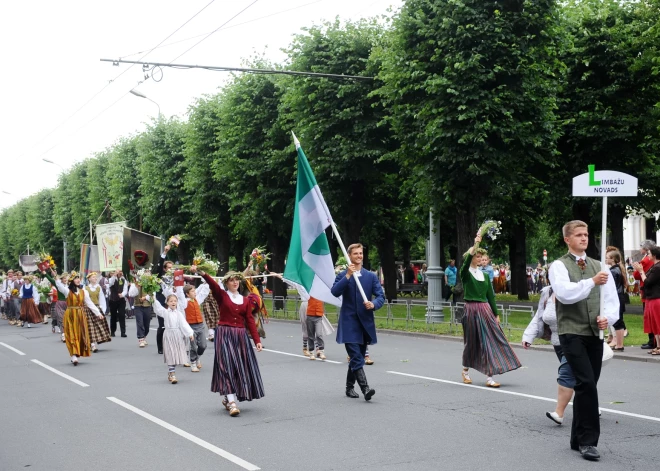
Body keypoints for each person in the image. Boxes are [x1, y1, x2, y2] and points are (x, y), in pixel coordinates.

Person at [548, 220, 619, 461]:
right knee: (586, 383)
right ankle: (588, 441)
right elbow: (566, 294)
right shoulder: (558, 265)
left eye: (586, 234)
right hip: (571, 331)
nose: (584, 238)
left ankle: (576, 438)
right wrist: (591, 281)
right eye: (578, 235)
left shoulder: (599, 266)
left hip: (594, 333)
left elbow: (611, 300)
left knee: (587, 385)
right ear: (567, 239)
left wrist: (606, 319)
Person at [199, 269, 264, 417]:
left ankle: (228, 398)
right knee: (226, 366)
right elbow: (213, 285)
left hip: (240, 336)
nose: (235, 282)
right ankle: (232, 403)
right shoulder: (222, 296)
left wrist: (257, 340)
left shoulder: (245, 300)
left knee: (239, 367)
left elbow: (249, 321)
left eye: (237, 280)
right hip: (224, 334)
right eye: (231, 280)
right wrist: (203, 274)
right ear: (226, 283)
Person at [460, 234, 521, 388]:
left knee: (489, 341)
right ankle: (465, 371)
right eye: (477, 256)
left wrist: (496, 313)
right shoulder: (465, 274)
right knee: (472, 342)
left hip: (485, 310)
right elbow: (466, 262)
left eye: (482, 256)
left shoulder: (485, 276)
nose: (481, 259)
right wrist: (476, 243)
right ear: (471, 257)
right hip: (471, 309)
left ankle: (489, 377)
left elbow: (490, 297)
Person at [331, 243, 385, 401]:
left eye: (361, 253)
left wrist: (374, 304)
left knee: (358, 357)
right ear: (350, 256)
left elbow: (380, 295)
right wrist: (347, 275)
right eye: (356, 254)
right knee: (356, 356)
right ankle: (365, 388)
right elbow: (334, 292)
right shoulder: (343, 275)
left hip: (364, 323)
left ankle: (349, 388)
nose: (359, 256)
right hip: (349, 323)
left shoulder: (371, 276)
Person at [523, 283, 576, 425]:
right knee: (579, 376)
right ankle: (591, 405)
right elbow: (539, 316)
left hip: (575, 340)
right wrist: (528, 336)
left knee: (565, 374)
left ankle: (559, 413)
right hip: (558, 343)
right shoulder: (548, 292)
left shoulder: (575, 291)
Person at [45, 269, 102, 366]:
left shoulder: (83, 291)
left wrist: (98, 313)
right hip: (70, 314)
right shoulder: (67, 290)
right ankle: (73, 355)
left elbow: (89, 303)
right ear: (72, 281)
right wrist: (55, 275)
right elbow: (58, 284)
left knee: (80, 334)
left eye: (78, 278)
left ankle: (77, 352)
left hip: (80, 314)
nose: (78, 280)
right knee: (72, 335)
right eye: (75, 278)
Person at [152, 293, 194, 384]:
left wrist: (190, 333)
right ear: (167, 303)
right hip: (168, 335)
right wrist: (153, 299)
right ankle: (173, 374)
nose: (173, 302)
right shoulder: (165, 312)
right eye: (171, 301)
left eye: (175, 301)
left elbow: (183, 324)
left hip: (177, 335)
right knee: (170, 354)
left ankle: (171, 373)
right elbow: (158, 308)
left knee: (177, 354)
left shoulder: (179, 314)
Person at [175, 279, 211, 373]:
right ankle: (193, 362)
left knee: (203, 345)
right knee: (194, 346)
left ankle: (197, 357)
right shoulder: (184, 302)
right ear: (187, 294)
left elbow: (204, 292)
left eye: (195, 291)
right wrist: (178, 283)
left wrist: (207, 282)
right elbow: (180, 294)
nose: (195, 293)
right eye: (192, 291)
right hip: (191, 327)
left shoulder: (197, 300)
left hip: (200, 325)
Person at [633, 247, 660, 355]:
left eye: (649, 253)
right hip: (651, 297)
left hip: (656, 298)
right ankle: (657, 346)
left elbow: (647, 282)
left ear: (654, 255)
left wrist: (641, 271)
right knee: (654, 324)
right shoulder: (654, 266)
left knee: (658, 323)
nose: (647, 255)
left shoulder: (657, 268)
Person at [84, 272, 111, 352]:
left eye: (95, 277)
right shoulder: (85, 288)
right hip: (88, 309)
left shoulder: (98, 287)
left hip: (97, 307)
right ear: (89, 279)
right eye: (93, 277)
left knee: (98, 326)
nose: (95, 279)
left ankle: (96, 341)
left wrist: (102, 309)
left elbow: (101, 298)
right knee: (90, 327)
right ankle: (92, 344)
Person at [606, 249, 627, 351]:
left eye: (607, 258)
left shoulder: (613, 271)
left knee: (618, 321)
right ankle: (619, 343)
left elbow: (611, 286)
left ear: (613, 259)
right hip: (619, 297)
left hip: (617, 297)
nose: (605, 259)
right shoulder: (616, 269)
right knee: (619, 321)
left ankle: (619, 344)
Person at [154, 245, 174, 355]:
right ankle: (160, 347)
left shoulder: (174, 277)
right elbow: (159, 266)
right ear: (165, 269)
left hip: (172, 303)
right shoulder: (160, 275)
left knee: (172, 325)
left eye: (172, 268)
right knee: (162, 325)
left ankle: (170, 345)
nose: (171, 270)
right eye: (169, 268)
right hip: (162, 302)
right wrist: (165, 252)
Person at [128, 280, 154, 348]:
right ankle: (141, 339)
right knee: (140, 322)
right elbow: (131, 294)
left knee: (147, 324)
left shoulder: (150, 284)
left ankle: (144, 336)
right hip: (138, 306)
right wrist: (136, 286)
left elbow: (152, 295)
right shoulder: (135, 284)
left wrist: (145, 298)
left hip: (147, 305)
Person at [108, 270, 128, 337]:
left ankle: (123, 332)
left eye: (121, 272)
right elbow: (111, 283)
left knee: (122, 315)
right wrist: (114, 275)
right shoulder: (112, 279)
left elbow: (125, 289)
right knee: (113, 316)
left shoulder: (123, 280)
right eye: (118, 272)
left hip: (121, 300)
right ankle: (113, 331)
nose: (120, 273)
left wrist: (122, 294)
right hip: (113, 299)